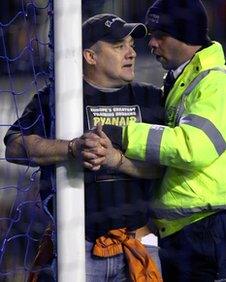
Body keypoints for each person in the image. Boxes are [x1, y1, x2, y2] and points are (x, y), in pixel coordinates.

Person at [4, 14, 164, 281]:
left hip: (136, 243)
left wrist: (116, 159)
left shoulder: (150, 97)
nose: (131, 53)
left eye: (131, 45)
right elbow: (15, 146)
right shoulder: (58, 99)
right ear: (90, 56)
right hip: (77, 248)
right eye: (118, 46)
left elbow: (164, 166)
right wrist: (72, 148)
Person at [82, 1, 226, 281]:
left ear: (187, 35)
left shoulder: (215, 83)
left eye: (161, 35)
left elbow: (195, 146)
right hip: (180, 232)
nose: (151, 44)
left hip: (207, 231)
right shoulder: (179, 81)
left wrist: (123, 134)